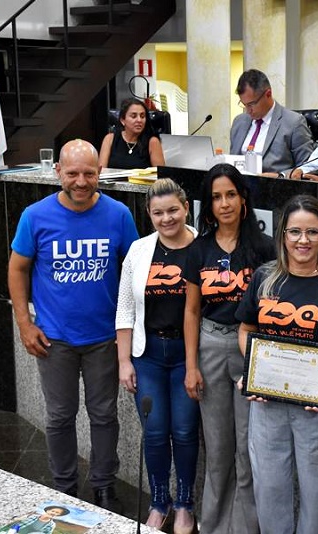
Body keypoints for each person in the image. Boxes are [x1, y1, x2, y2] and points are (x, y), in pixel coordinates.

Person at [8, 139, 139, 513]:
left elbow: (134, 271)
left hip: (104, 338)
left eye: (89, 173)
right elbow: (17, 269)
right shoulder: (35, 216)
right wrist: (24, 324)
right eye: (72, 173)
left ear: (100, 173)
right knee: (60, 417)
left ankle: (103, 486)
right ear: (57, 173)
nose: (81, 181)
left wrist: (129, 330)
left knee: (104, 416)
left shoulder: (119, 216)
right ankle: (64, 487)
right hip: (54, 339)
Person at [235, 195, 318, 533]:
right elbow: (246, 329)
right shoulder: (265, 277)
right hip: (267, 402)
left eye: (312, 232)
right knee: (269, 490)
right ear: (282, 234)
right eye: (295, 232)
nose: (303, 240)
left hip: (317, 407)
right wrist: (253, 369)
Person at [182, 163, 275, 534]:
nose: (224, 204)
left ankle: (246, 527)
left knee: (249, 451)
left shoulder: (264, 248)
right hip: (210, 346)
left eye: (231, 195)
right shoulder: (198, 249)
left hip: (251, 348)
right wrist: (192, 365)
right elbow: (191, 310)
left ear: (243, 199)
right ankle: (215, 527)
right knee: (219, 450)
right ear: (207, 204)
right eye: (216, 197)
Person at [115, 178, 199, 533]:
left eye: (173, 210)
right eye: (158, 213)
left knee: (184, 431)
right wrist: (124, 361)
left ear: (186, 208)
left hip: (188, 356)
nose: (167, 219)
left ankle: (184, 504)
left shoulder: (203, 247)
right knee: (154, 432)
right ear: (149, 214)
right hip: (148, 355)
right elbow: (124, 309)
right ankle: (159, 502)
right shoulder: (138, 251)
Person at [229, 69, 314, 175]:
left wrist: (280, 176)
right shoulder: (239, 122)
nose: (248, 110)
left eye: (251, 104)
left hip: (274, 184)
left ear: (268, 94)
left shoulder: (294, 123)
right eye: (244, 104)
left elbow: (307, 167)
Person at [99, 97, 165, 169]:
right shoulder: (110, 139)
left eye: (142, 116)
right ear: (123, 120)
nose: (139, 120)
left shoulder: (152, 142)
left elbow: (161, 174)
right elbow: (101, 171)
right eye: (134, 116)